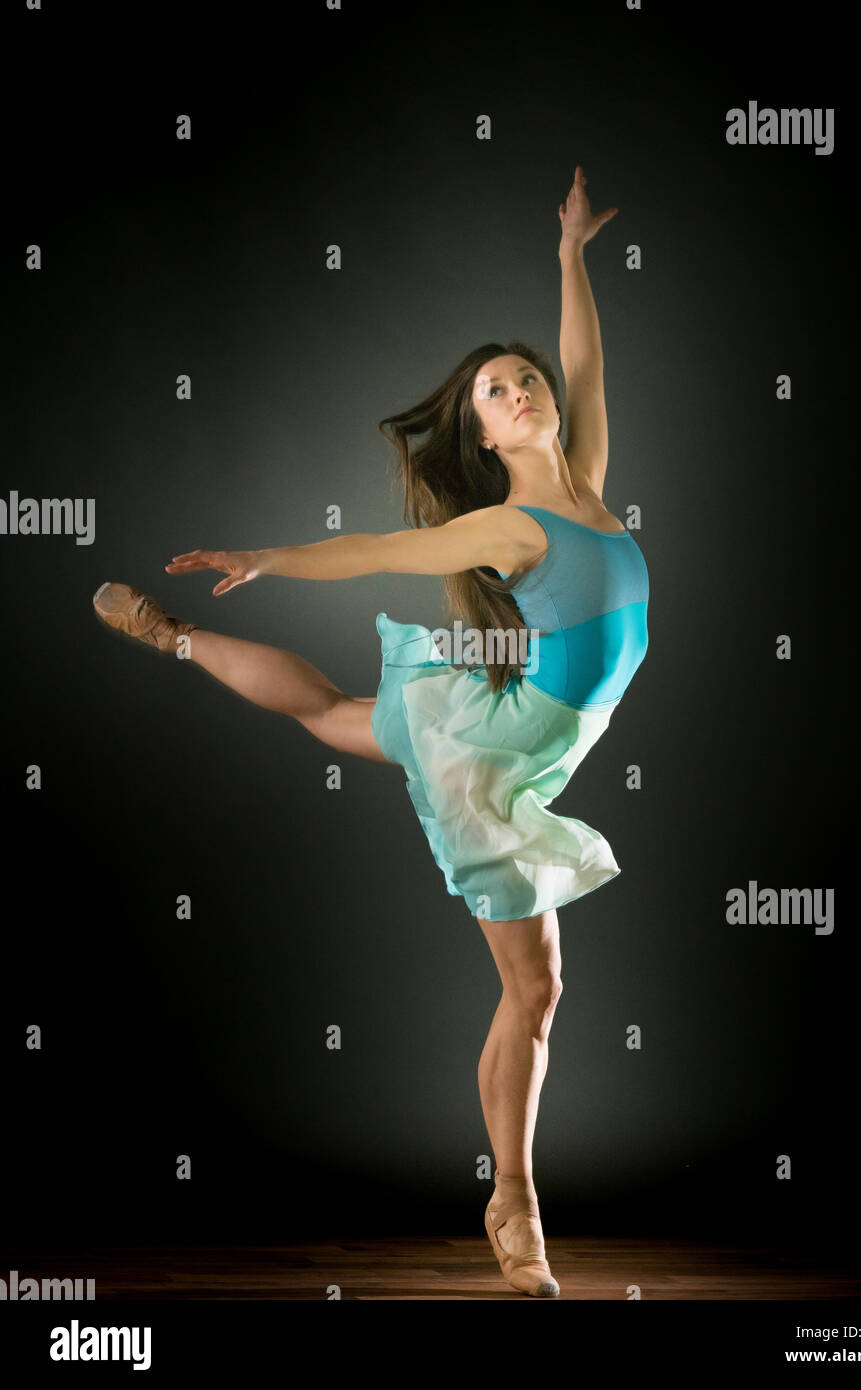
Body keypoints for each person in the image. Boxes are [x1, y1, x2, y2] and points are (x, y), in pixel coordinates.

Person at [92, 167, 649, 1298]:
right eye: (495, 391)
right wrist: (268, 556)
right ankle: (515, 1205)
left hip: (522, 725)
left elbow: (584, 359)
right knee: (535, 992)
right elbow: (379, 554)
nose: (521, 390)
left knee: (337, 716)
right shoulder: (512, 525)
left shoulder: (587, 480)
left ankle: (175, 640)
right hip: (496, 750)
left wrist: (569, 255)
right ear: (482, 433)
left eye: (525, 379)